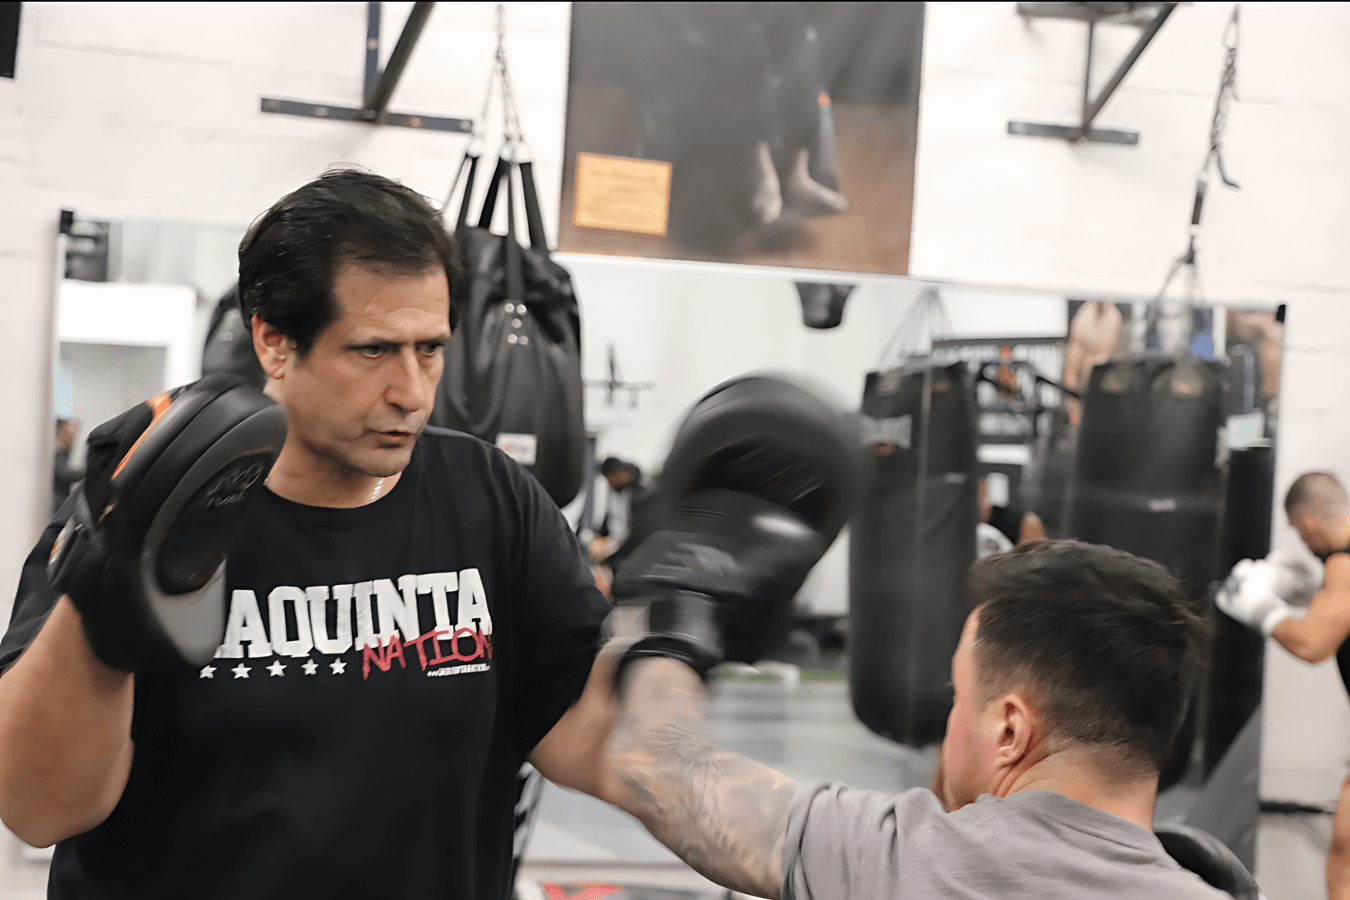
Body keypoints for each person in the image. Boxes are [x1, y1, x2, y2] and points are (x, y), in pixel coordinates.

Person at [0, 169, 618, 898]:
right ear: (273, 342)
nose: (414, 393)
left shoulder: (490, 496)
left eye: (430, 349)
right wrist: (104, 594)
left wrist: (677, 633)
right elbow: (39, 812)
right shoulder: (162, 505)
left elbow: (589, 734)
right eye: (373, 350)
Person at [600, 539, 1229, 899]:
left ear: (1010, 731)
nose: (949, 723)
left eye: (960, 697)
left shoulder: (911, 861)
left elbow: (659, 770)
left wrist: (673, 630)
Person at [1216, 471, 1350, 900]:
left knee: (1345, 865)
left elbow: (1313, 643)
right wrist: (1312, 593)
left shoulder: (1343, 564)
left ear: (1307, 522)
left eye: (1296, 530)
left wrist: (1262, 610)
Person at [51, 418, 82, 516]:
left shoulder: (64, 453)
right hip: (57, 502)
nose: (74, 437)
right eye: (71, 433)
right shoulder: (57, 452)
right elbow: (64, 474)